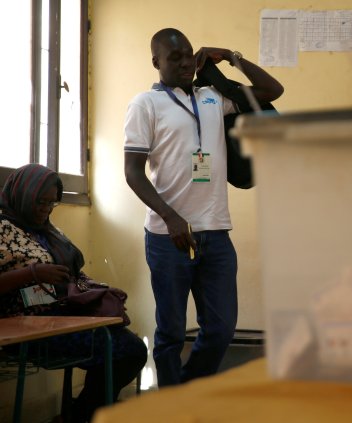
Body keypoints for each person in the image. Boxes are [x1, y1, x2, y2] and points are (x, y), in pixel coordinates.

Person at [123, 28, 283, 387]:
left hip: (215, 231)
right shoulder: (145, 105)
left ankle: (187, 390)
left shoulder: (214, 97)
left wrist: (231, 56)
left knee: (221, 329)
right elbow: (133, 173)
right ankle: (170, 408)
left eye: (188, 55)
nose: (184, 63)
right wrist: (170, 216)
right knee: (171, 334)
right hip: (169, 237)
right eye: (174, 57)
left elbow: (273, 92)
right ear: (156, 62)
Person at [0, 163, 147, 423]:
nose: (45, 209)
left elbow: (71, 272)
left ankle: (80, 415)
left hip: (64, 315)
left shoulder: (49, 231)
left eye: (52, 203)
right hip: (26, 324)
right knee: (126, 350)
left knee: (129, 348)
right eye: (40, 202)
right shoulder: (3, 228)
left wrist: (97, 290)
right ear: (23, 194)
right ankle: (81, 416)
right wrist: (31, 274)